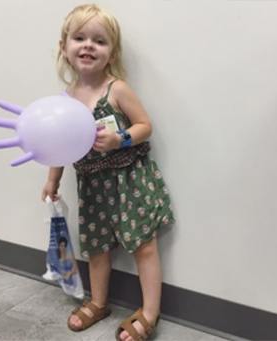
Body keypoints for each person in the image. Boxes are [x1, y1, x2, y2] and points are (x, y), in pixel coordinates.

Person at [41, 4, 175, 340]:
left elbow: (146, 125)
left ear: (111, 51)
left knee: (144, 246)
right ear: (64, 47)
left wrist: (121, 139)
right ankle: (98, 302)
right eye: (80, 38)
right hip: (92, 186)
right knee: (97, 247)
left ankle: (149, 312)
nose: (88, 45)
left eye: (99, 41)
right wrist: (52, 178)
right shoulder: (65, 100)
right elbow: (60, 144)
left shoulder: (117, 89)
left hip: (130, 180)